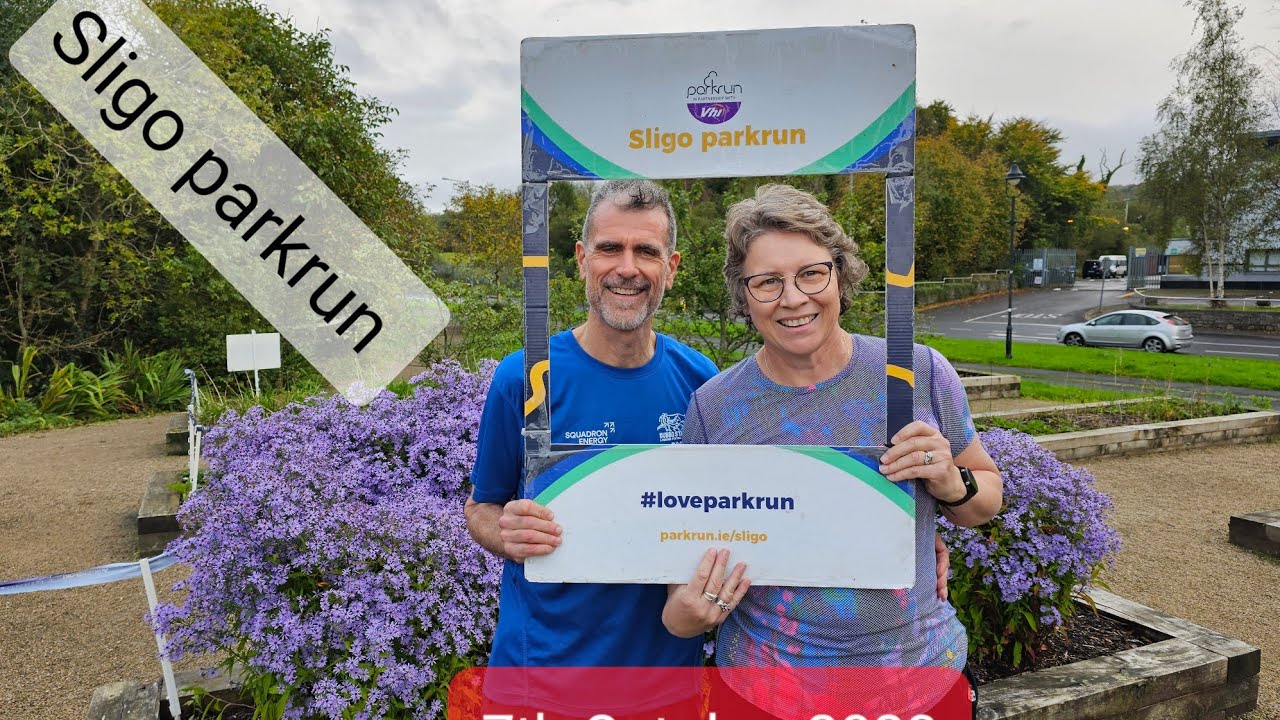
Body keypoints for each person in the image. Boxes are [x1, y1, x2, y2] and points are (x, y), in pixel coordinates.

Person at [464, 180, 953, 680]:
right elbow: (483, 505)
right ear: (582, 259)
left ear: (671, 268)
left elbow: (764, 504)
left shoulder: (701, 383)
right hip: (541, 670)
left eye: (647, 251)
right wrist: (507, 532)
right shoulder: (525, 376)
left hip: (670, 672)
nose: (627, 267)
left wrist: (905, 528)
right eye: (610, 248)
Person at [664, 183, 1002, 716]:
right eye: (767, 282)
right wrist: (688, 611)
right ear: (743, 296)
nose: (793, 298)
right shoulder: (714, 407)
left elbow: (984, 502)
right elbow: (684, 574)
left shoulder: (916, 372)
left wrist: (949, 483)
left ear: (840, 276)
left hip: (919, 681)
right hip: (765, 691)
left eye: (811, 273)